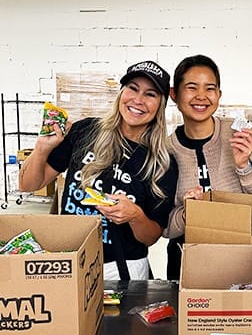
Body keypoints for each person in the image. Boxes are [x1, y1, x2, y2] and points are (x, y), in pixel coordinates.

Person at [19, 60, 178, 280]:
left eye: (150, 94)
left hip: (123, 269)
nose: (138, 100)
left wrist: (135, 215)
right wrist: (42, 148)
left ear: (160, 104)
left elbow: (151, 236)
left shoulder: (162, 162)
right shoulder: (86, 131)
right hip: (71, 258)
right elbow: (28, 184)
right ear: (122, 92)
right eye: (133, 88)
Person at [163, 54, 252, 280]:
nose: (201, 96)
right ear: (174, 94)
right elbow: (164, 227)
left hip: (245, 259)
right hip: (187, 262)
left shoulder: (245, 137)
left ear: (218, 95)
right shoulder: (165, 151)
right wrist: (189, 213)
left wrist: (245, 167)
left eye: (210, 88)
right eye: (191, 87)